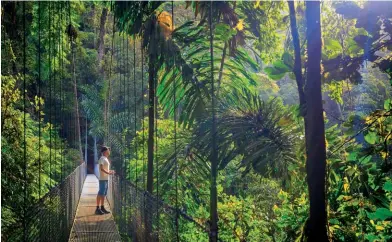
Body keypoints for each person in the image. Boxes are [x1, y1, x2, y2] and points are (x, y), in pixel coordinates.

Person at [95, 146, 115, 215]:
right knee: (101, 193)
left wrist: (110, 171)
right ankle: (97, 208)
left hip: (106, 178)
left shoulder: (105, 158)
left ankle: (102, 207)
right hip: (103, 179)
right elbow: (101, 168)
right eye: (108, 150)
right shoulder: (102, 158)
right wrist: (108, 173)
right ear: (104, 151)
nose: (109, 151)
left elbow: (105, 168)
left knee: (103, 194)